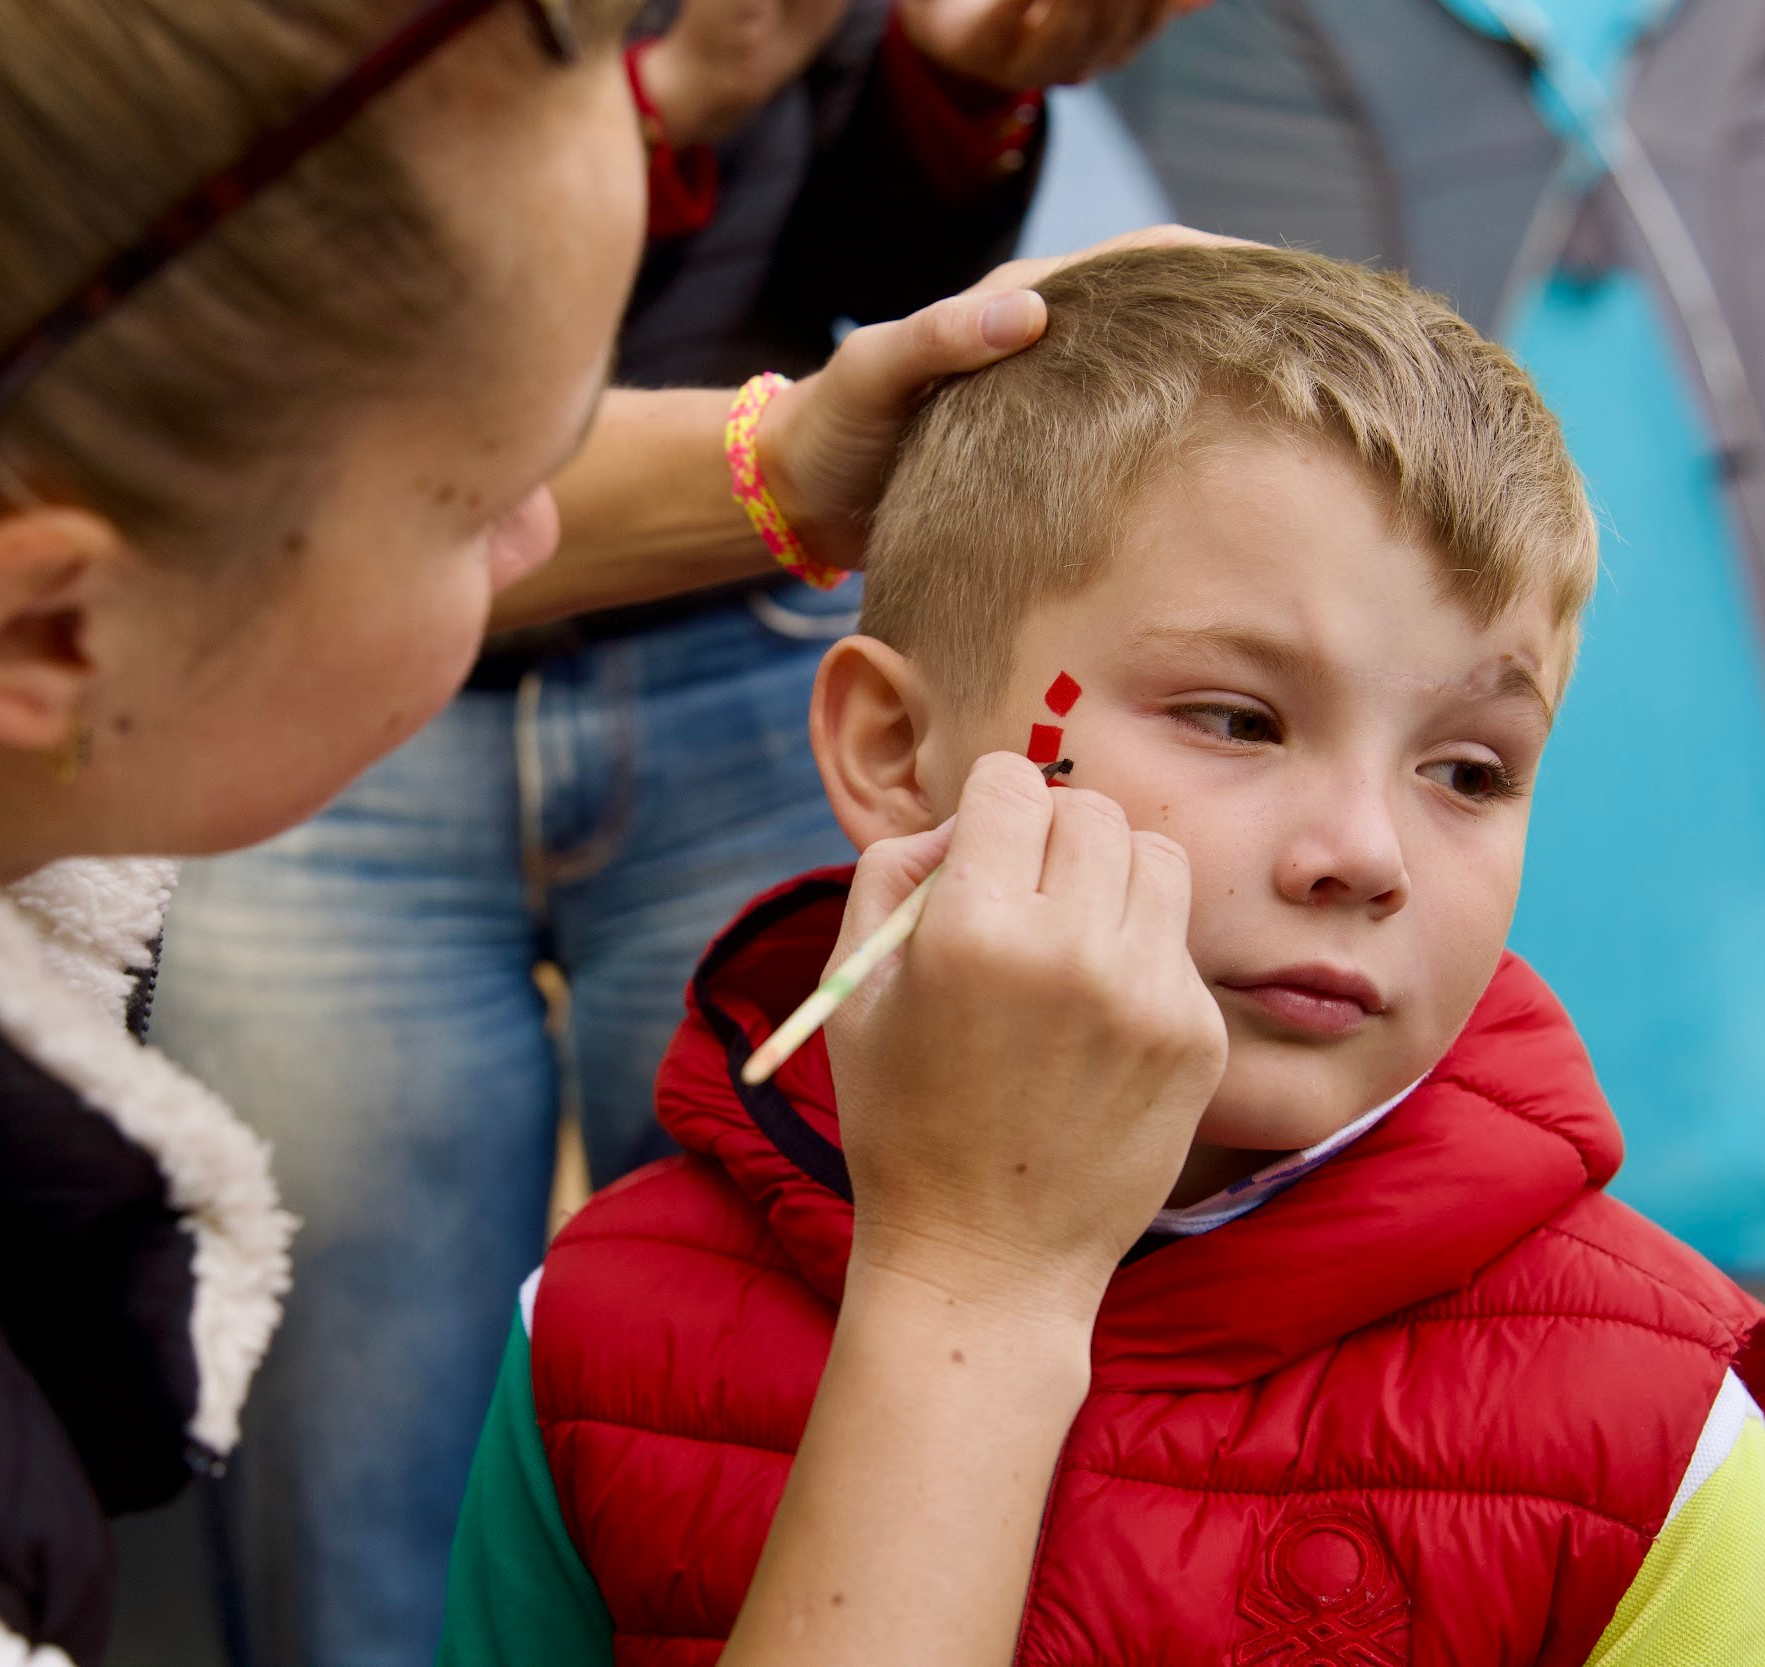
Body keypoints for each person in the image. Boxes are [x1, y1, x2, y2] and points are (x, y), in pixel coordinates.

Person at [0, 0, 1239, 1660]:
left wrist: (792, 456)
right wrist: (975, 1295)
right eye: (491, 491)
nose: (551, 529)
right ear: (51, 635)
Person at [440, 244, 1765, 1666]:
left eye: (1472, 771)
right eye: (1237, 719)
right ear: (893, 748)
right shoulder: (600, 1331)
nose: (1365, 853)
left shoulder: (1651, 1423)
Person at [144, 0, 1187, 1653]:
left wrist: (958, 87)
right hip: (326, 666)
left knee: (784, 1371)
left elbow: (871, 244)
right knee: (348, 1465)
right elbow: (242, 350)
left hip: (734, 645)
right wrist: (662, 103)